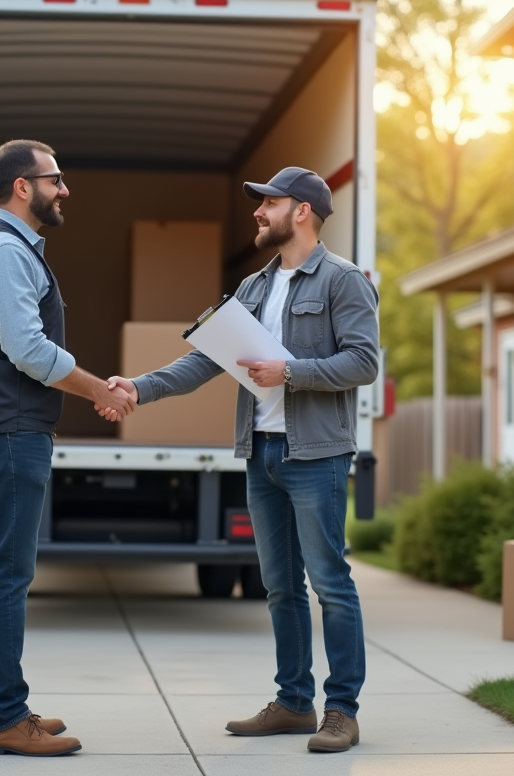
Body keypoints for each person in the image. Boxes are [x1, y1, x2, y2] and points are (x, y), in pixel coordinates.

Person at [98, 167, 379, 753]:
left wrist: (292, 372)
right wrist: (139, 388)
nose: (257, 213)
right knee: (278, 586)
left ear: (300, 210)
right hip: (263, 453)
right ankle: (294, 702)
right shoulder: (253, 287)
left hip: (318, 456)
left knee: (331, 583)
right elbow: (204, 362)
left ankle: (342, 712)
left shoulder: (342, 281)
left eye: (267, 203)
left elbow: (364, 363)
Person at [0, 139, 136, 757]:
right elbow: (29, 351)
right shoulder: (3, 251)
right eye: (56, 179)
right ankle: (5, 718)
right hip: (8, 431)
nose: (64, 189)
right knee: (6, 575)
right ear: (23, 186)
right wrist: (100, 389)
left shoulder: (2, 248)